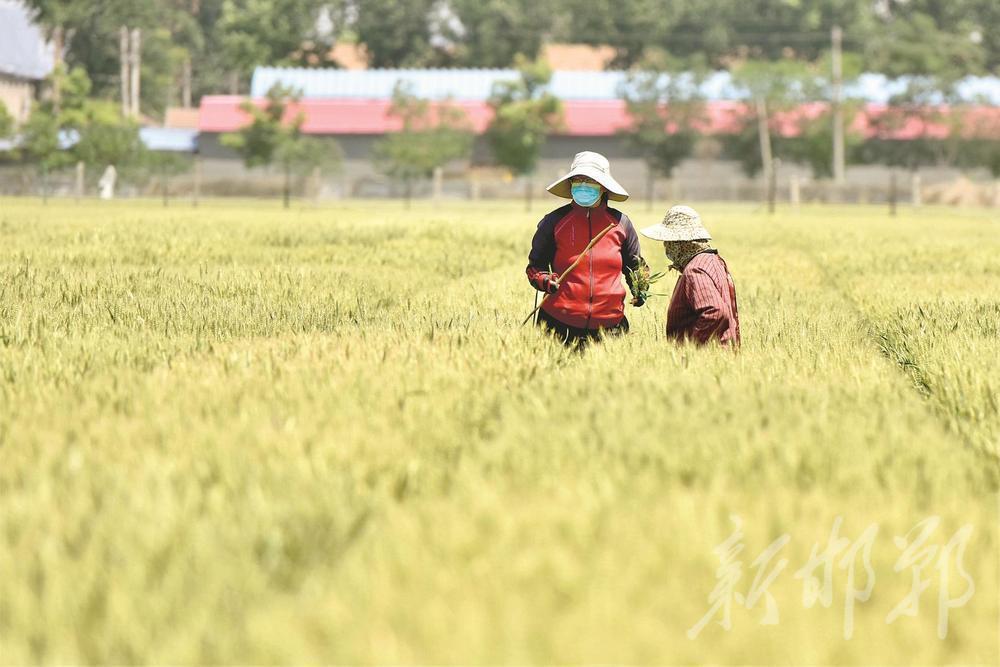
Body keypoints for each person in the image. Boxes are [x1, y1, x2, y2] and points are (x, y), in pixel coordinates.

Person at [526, 151, 648, 346]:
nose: (583, 185)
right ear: (571, 183)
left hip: (610, 328)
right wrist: (544, 280)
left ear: (603, 187)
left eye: (590, 180)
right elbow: (535, 266)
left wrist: (640, 289)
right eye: (578, 179)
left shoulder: (620, 223)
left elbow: (635, 267)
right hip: (558, 324)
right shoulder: (555, 221)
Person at [640, 205, 740, 346]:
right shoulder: (712, 260)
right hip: (721, 355)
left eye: (669, 242)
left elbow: (716, 311)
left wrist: (692, 348)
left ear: (680, 243)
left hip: (706, 360)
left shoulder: (694, 270)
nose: (666, 247)